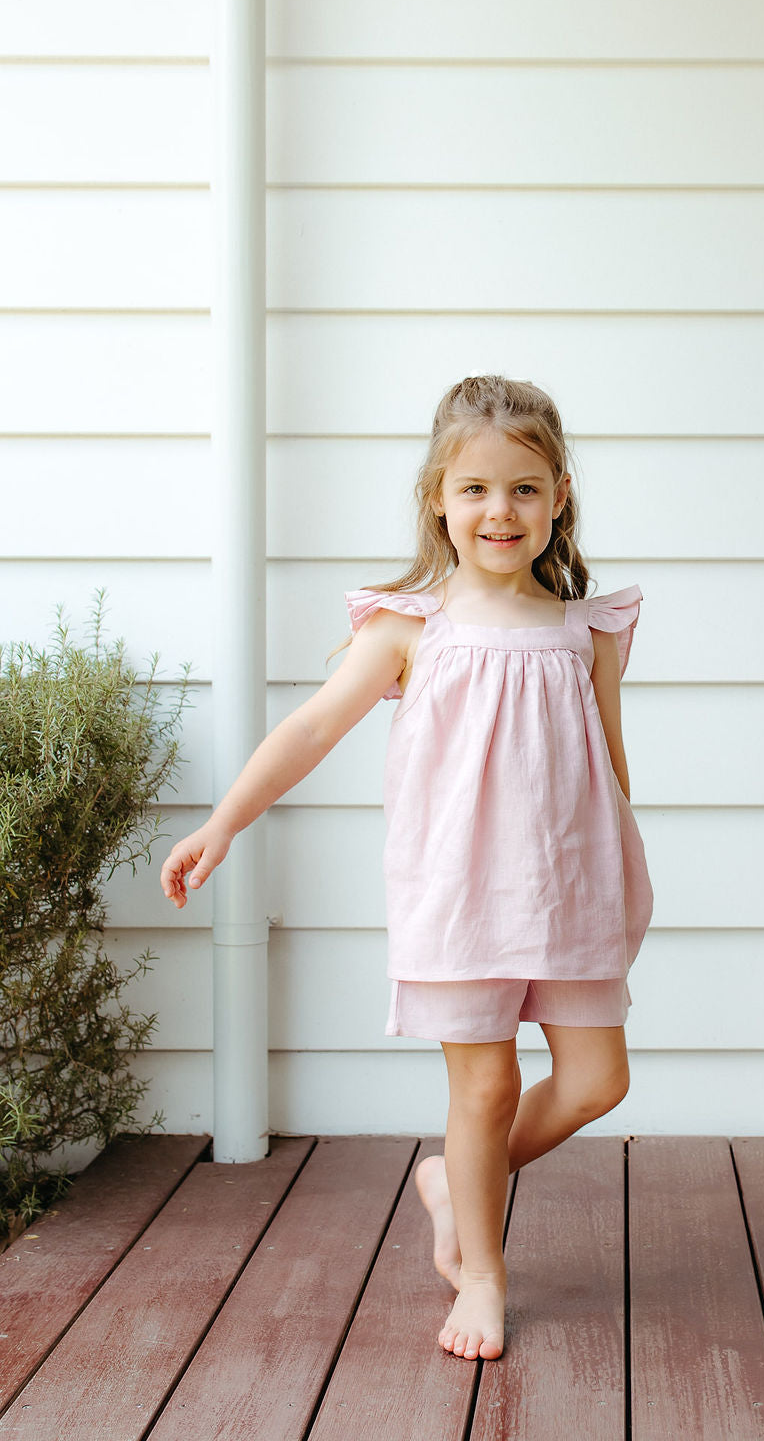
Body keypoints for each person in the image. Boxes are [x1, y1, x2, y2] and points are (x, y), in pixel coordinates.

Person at [160, 373, 654, 1363]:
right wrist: (224, 822)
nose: (498, 511)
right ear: (437, 498)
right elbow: (308, 728)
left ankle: (450, 1183)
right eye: (473, 489)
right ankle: (481, 1269)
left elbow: (607, 757)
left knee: (597, 1080)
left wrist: (624, 865)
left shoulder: (586, 632)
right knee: (483, 1092)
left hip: (573, 887)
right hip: (461, 891)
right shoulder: (407, 628)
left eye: (522, 489)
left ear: (558, 494)